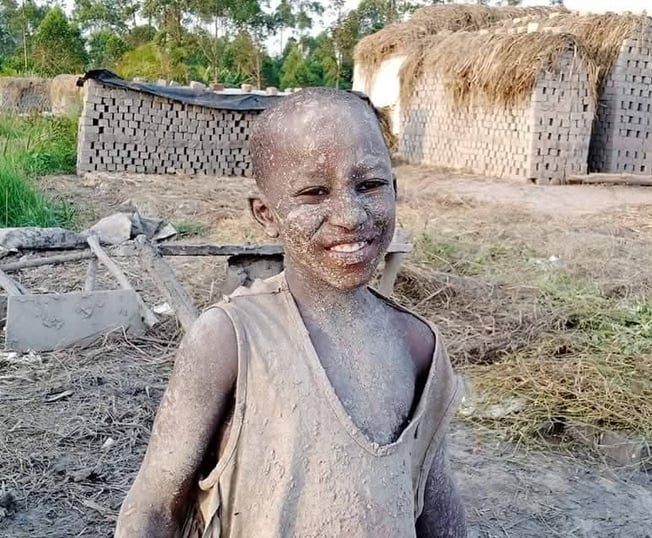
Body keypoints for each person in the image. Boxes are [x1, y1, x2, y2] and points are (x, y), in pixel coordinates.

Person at [115, 87, 467, 538]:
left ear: (395, 190)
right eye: (314, 192)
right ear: (266, 213)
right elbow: (152, 508)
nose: (350, 215)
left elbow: (435, 502)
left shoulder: (419, 346)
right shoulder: (230, 340)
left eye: (370, 185)